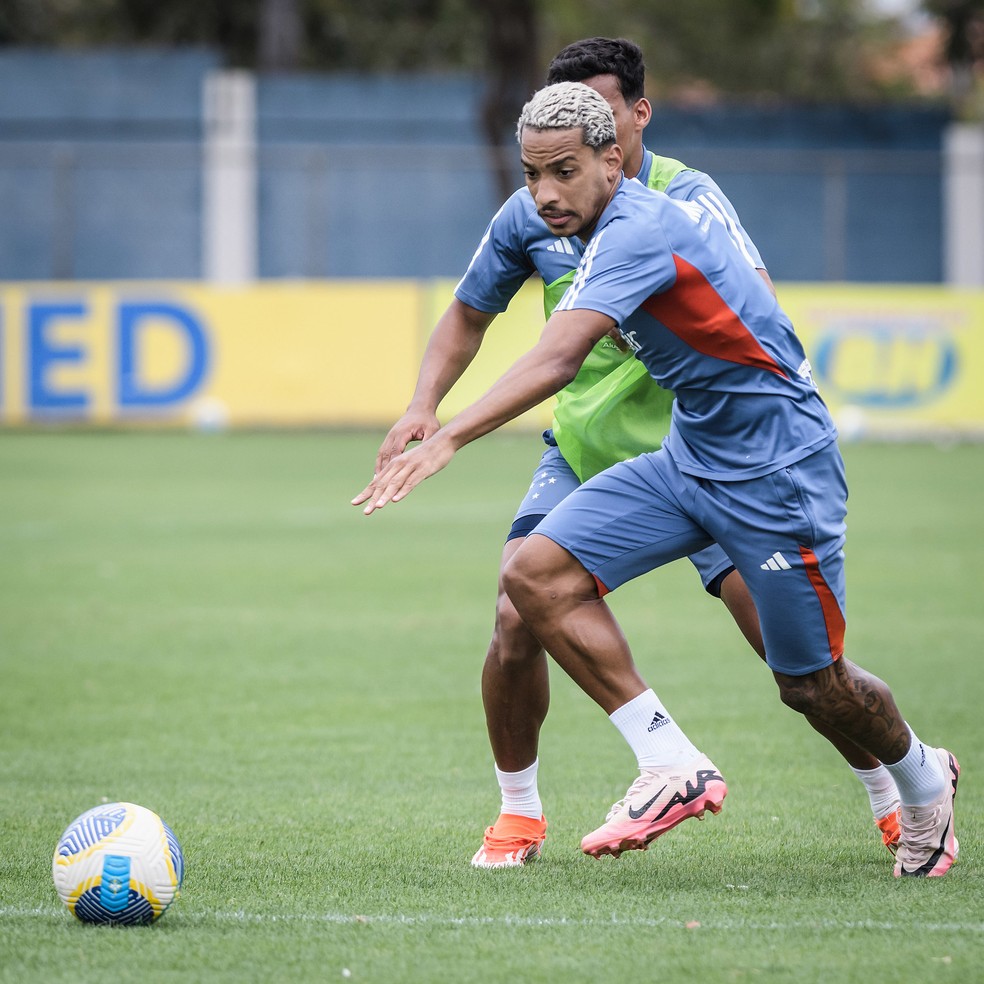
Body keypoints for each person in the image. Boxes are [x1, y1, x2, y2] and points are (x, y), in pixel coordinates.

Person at [356, 81, 960, 878]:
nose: (544, 193)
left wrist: (451, 435)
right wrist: (429, 407)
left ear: (615, 158)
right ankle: (668, 761)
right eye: (532, 174)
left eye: (563, 171)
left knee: (812, 685)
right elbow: (498, 320)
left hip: (777, 469)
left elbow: (559, 356)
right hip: (690, 456)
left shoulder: (642, 226)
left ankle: (920, 778)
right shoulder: (575, 223)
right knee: (531, 574)